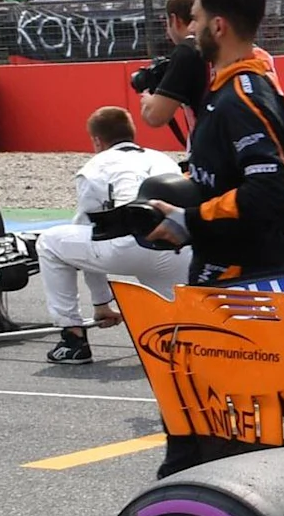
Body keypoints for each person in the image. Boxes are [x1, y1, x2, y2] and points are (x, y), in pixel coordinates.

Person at [141, 0, 284, 282]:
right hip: (226, 258)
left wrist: (190, 219)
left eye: (196, 20)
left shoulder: (241, 98)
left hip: (241, 272)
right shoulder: (231, 86)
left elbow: (267, 189)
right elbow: (226, 171)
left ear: (218, 27)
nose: (191, 30)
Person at [39, 104, 189, 365]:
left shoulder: (94, 167)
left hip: (127, 246)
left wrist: (101, 303)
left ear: (97, 140)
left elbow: (92, 231)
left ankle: (73, 339)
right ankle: (186, 342)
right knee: (180, 321)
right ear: (132, 133)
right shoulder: (162, 159)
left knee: (50, 243)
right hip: (175, 246)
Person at [127, 0, 207, 144]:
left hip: (208, 145)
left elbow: (155, 116)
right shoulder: (225, 45)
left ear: (175, 20)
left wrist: (148, 98)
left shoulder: (187, 51)